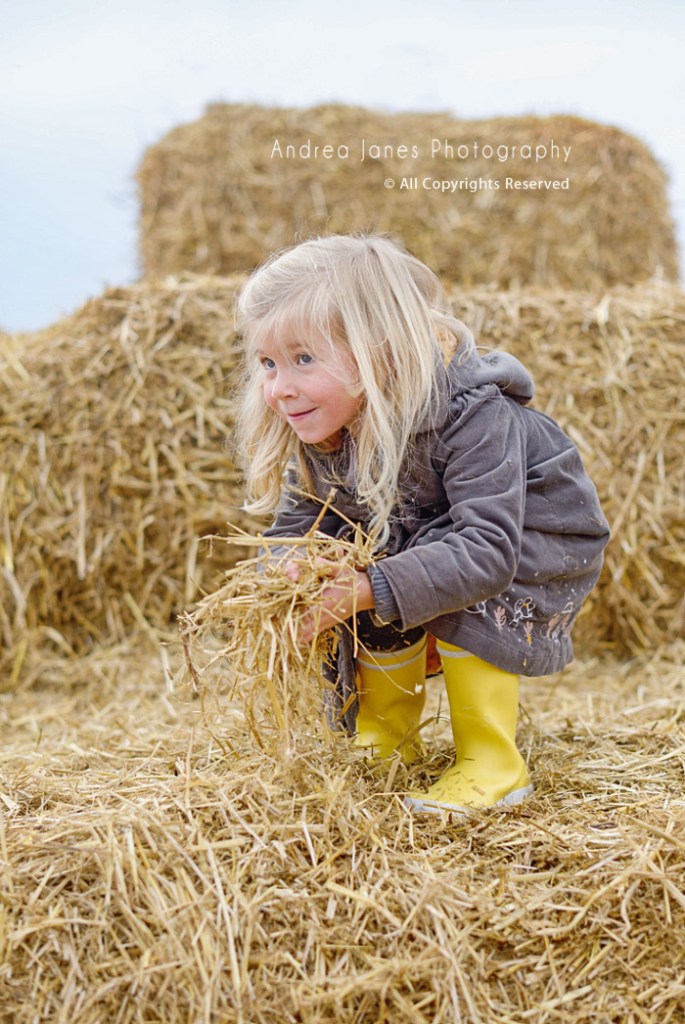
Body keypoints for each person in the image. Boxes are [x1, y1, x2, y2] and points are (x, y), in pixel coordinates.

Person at [235, 234, 610, 815]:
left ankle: (493, 764)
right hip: (430, 534)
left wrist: (366, 587)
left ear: (380, 350)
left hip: (531, 542)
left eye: (304, 359)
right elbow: (300, 521)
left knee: (418, 575)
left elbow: (486, 549)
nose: (279, 387)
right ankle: (388, 742)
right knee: (366, 568)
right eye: (268, 364)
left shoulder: (472, 415)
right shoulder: (327, 427)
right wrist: (287, 571)